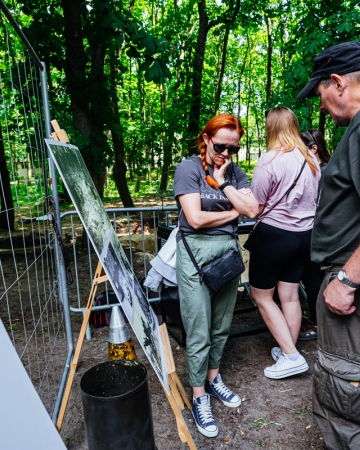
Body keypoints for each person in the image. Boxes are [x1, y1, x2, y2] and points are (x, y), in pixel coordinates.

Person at [173, 113, 259, 438]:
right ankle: (199, 397)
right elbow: (194, 218)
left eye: (233, 149)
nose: (226, 154)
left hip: (227, 254)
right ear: (206, 138)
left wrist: (223, 182)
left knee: (222, 325)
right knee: (198, 330)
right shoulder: (189, 169)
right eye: (221, 145)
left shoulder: (234, 172)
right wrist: (233, 210)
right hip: (195, 255)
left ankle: (213, 377)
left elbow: (253, 210)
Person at [296, 41, 360, 449]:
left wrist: (346, 279)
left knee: (345, 391)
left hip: (348, 283)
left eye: (319, 93)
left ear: (337, 83)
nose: (320, 106)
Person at [248, 107, 320, 379]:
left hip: (275, 236)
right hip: (305, 236)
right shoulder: (310, 159)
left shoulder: (269, 160)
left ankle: (290, 356)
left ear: (271, 128)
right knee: (289, 295)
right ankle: (288, 349)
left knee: (261, 295)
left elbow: (256, 205)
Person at [298, 129, 331, 341]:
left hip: (321, 233)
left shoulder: (323, 172)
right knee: (315, 278)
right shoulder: (322, 169)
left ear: (313, 148)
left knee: (312, 278)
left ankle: (317, 323)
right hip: (319, 231)